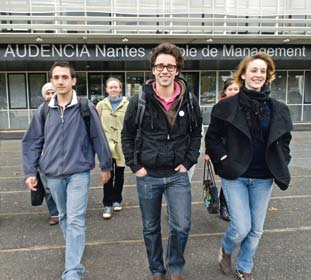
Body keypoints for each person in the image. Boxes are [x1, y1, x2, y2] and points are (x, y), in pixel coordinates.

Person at [205, 53, 293, 280]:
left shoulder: (278, 109)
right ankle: (226, 248)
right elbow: (212, 139)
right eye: (254, 70)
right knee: (241, 227)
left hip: (264, 177)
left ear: (268, 76)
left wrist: (282, 160)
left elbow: (284, 141)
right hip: (236, 175)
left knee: (256, 230)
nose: (258, 75)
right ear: (243, 74)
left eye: (263, 71)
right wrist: (224, 161)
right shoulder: (226, 107)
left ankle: (244, 266)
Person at [22, 61, 112, 280]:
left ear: (73, 81)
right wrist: (30, 172)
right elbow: (31, 141)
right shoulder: (44, 110)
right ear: (52, 81)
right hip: (52, 173)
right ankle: (75, 244)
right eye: (56, 78)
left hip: (78, 172)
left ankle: (72, 271)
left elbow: (98, 137)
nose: (60, 81)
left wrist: (106, 165)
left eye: (64, 77)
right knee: (63, 216)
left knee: (75, 219)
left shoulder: (84, 107)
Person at [122, 42, 202, 280]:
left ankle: (175, 266)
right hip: (148, 176)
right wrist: (135, 166)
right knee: (150, 228)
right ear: (153, 69)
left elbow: (197, 133)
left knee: (182, 226)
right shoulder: (140, 101)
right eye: (160, 66)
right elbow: (127, 134)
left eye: (170, 66)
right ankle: (157, 270)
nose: (165, 70)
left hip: (178, 174)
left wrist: (189, 161)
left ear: (178, 70)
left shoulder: (190, 100)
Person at [205, 78, 240, 222]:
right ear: (225, 91)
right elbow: (212, 133)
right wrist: (208, 152)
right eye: (230, 89)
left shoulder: (244, 106)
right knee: (228, 178)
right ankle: (224, 206)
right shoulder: (220, 107)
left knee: (236, 178)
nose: (233, 92)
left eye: (236, 89)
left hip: (238, 151)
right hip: (222, 150)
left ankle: (233, 205)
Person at [96, 77, 129, 219]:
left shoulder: (127, 104)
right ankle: (107, 204)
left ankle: (117, 199)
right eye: (111, 87)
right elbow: (96, 125)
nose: (114, 89)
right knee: (108, 175)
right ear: (106, 89)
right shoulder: (101, 105)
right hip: (106, 146)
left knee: (120, 175)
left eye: (116, 87)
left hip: (121, 145)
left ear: (120, 89)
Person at [39, 82, 59, 225]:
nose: (51, 96)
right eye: (48, 93)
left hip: (61, 155)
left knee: (61, 185)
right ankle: (54, 213)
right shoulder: (41, 111)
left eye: (53, 92)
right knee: (48, 188)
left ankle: (65, 210)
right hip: (44, 156)